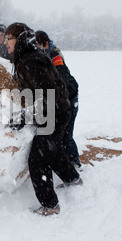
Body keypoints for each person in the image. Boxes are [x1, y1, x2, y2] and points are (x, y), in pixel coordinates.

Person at [5, 23, 82, 216]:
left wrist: (25, 115)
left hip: (54, 114)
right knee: (51, 152)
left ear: (19, 38)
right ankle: (73, 179)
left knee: (38, 159)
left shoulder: (30, 60)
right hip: (57, 111)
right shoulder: (28, 56)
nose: (5, 42)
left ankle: (50, 205)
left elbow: (48, 94)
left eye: (9, 38)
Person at [36, 31, 82, 171]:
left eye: (39, 46)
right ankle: (67, 162)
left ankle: (74, 163)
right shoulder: (43, 55)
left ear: (46, 43)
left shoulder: (55, 56)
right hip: (61, 100)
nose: (37, 49)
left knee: (66, 135)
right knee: (61, 136)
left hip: (69, 99)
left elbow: (63, 77)